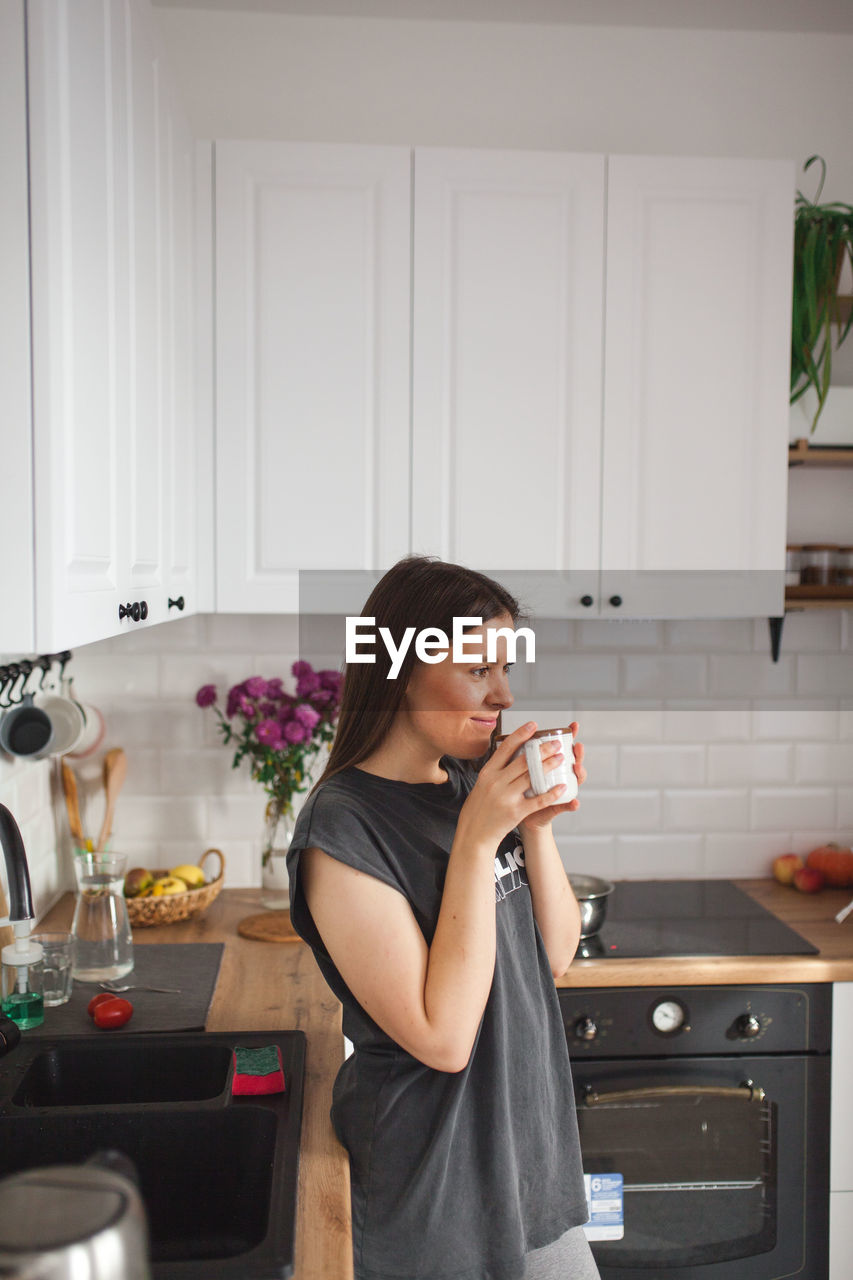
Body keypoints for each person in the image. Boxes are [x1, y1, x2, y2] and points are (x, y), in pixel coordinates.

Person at [287, 556, 600, 1280]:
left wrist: (538, 825)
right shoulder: (343, 831)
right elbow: (443, 1039)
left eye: (504, 667)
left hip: (531, 1173)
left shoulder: (470, 783)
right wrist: (480, 835)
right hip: (435, 1200)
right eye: (476, 669)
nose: (504, 691)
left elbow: (551, 958)